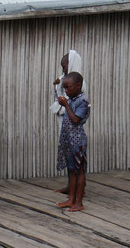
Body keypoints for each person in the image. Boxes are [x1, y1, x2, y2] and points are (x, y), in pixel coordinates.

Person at [51, 50, 86, 194]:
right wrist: (57, 85)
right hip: (66, 126)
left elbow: (74, 111)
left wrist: (64, 103)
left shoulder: (80, 85)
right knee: (69, 159)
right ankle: (71, 187)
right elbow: (61, 96)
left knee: (77, 163)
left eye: (65, 66)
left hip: (74, 130)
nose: (63, 69)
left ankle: (79, 191)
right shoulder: (66, 81)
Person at [55, 72, 90, 212]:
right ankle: (71, 199)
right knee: (72, 171)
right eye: (65, 88)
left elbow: (76, 120)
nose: (66, 91)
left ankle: (79, 202)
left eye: (68, 88)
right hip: (69, 141)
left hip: (77, 142)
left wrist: (66, 106)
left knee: (79, 171)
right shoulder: (71, 99)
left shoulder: (83, 101)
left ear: (78, 86)